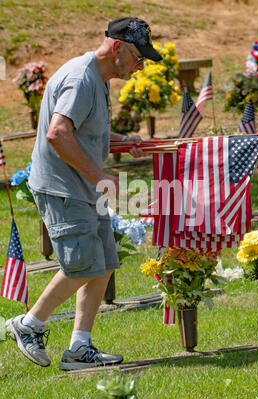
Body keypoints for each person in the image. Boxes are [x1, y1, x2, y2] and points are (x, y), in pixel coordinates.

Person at [5, 17, 162, 371]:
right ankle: (28, 324)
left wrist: (123, 143)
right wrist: (100, 175)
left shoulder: (98, 77)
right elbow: (58, 134)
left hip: (82, 185)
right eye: (139, 59)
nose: (141, 67)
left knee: (104, 262)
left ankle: (79, 348)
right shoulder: (81, 79)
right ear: (118, 48)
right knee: (81, 264)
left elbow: (82, 131)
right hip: (63, 187)